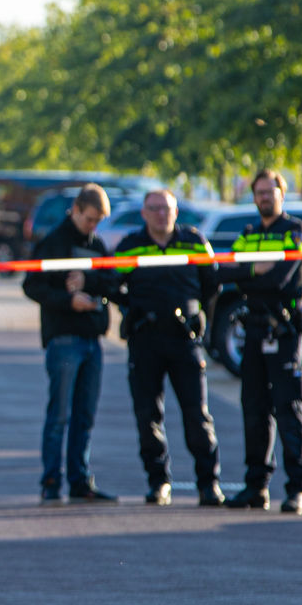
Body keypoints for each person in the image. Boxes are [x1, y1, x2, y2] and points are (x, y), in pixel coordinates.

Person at [113, 189, 225, 506]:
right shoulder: (130, 245)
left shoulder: (193, 241)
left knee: (197, 416)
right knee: (147, 415)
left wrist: (200, 316)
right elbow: (111, 283)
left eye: (167, 208)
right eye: (154, 209)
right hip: (145, 339)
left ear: (176, 212)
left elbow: (212, 284)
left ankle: (208, 484)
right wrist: (131, 308)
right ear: (144, 213)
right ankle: (158, 481)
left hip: (184, 339)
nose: (161, 214)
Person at [221, 168, 302, 514]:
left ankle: (298, 489)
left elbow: (281, 279)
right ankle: (256, 486)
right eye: (258, 192)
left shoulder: (295, 231)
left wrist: (254, 274)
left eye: (269, 192)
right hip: (255, 332)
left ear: (281, 194)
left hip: (285, 333)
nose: (263, 197)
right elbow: (225, 272)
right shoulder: (248, 235)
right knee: (254, 410)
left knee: (289, 411)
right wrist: (252, 270)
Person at [22, 183, 118, 503]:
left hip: (92, 340)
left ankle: (80, 481)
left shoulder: (98, 245)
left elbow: (113, 282)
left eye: (98, 221)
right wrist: (68, 301)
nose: (93, 226)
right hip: (64, 339)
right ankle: (51, 482)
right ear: (75, 210)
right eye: (90, 219)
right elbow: (32, 285)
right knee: (59, 415)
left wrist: (88, 281)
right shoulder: (53, 243)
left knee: (84, 416)